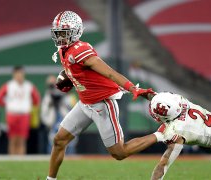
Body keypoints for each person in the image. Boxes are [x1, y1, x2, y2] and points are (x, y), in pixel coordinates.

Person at [47, 11, 171, 180]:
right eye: (58, 33)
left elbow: (110, 73)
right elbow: (80, 71)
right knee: (59, 140)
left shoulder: (80, 50)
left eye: (63, 33)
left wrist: (133, 88)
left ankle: (161, 134)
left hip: (101, 104)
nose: (60, 37)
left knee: (119, 152)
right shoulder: (64, 50)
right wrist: (69, 76)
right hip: (85, 104)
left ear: (75, 32)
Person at [0, 66, 40, 155]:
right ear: (14, 74)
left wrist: (28, 105)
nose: (20, 76)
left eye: (21, 73)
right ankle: (12, 159)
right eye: (18, 74)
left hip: (24, 115)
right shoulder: (9, 86)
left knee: (22, 139)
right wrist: (8, 105)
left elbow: (36, 99)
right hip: (12, 114)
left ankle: (21, 159)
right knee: (12, 139)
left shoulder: (29, 86)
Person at [41, 75, 77, 154]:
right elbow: (44, 113)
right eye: (51, 85)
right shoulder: (47, 97)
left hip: (68, 124)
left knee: (70, 145)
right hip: (53, 124)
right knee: (53, 145)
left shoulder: (70, 97)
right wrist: (49, 123)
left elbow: (74, 111)